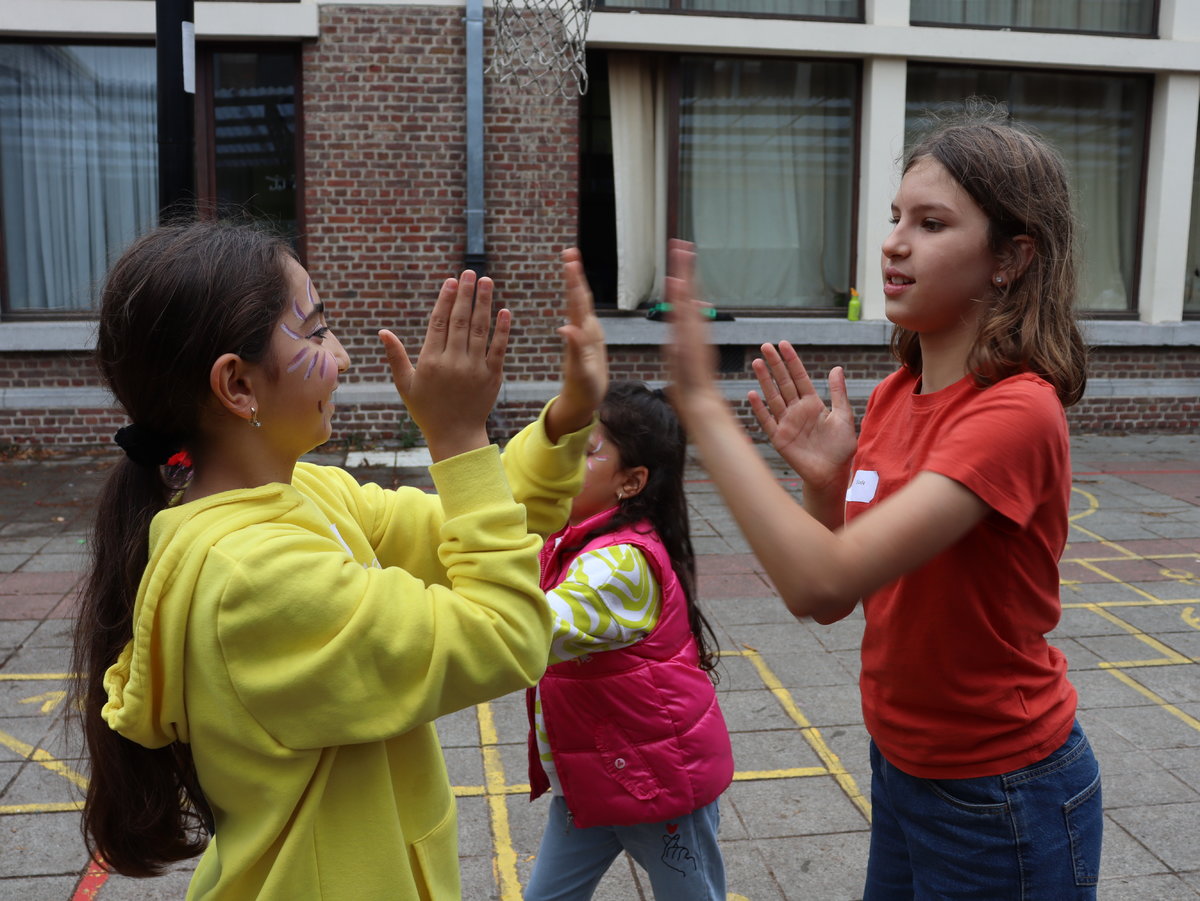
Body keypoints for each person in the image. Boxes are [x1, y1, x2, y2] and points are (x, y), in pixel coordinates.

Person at [68, 218, 608, 900]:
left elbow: (468, 530)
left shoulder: (301, 490)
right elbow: (505, 633)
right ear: (238, 385)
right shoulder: (256, 578)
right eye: (317, 330)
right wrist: (459, 436)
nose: (344, 356)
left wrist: (565, 419)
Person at [663, 105, 1102, 899]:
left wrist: (698, 405)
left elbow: (817, 584)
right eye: (896, 216)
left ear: (1011, 257)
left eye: (931, 223)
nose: (894, 241)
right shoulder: (898, 393)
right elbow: (843, 598)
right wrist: (825, 487)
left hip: (1000, 791)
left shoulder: (1016, 412)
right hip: (902, 765)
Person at [522, 380, 733, 901]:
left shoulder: (617, 564)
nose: (565, 460)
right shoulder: (570, 538)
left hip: (655, 788)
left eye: (586, 451)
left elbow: (527, 631)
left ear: (630, 482)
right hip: (591, 779)